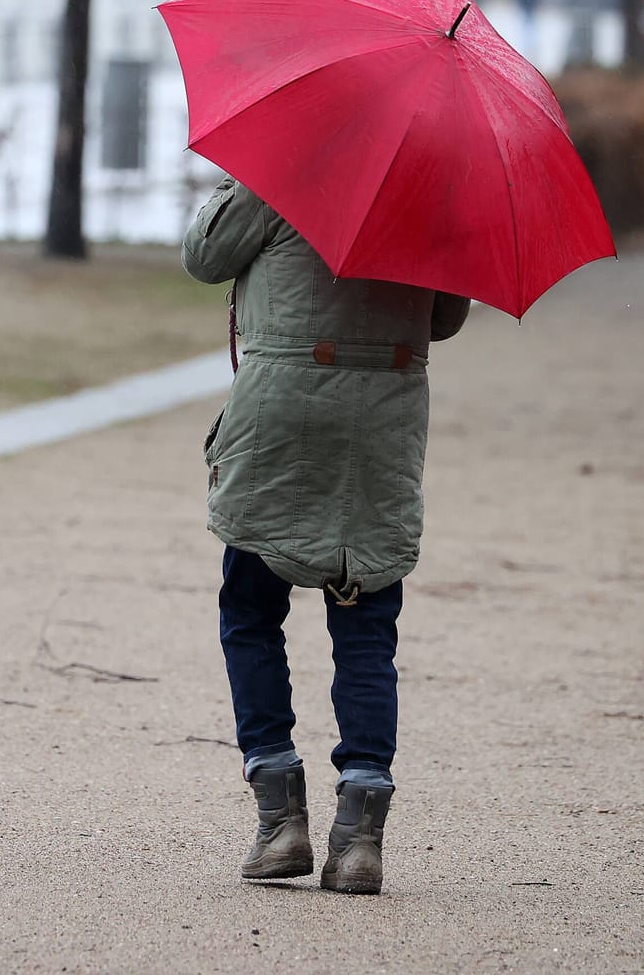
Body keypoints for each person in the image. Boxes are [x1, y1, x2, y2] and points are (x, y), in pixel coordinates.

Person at [181, 177, 471, 895]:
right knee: (367, 623)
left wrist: (235, 182)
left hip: (282, 414)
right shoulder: (430, 193)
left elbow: (205, 255)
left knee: (250, 611)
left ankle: (280, 814)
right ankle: (360, 837)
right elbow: (442, 321)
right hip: (383, 420)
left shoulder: (286, 173)